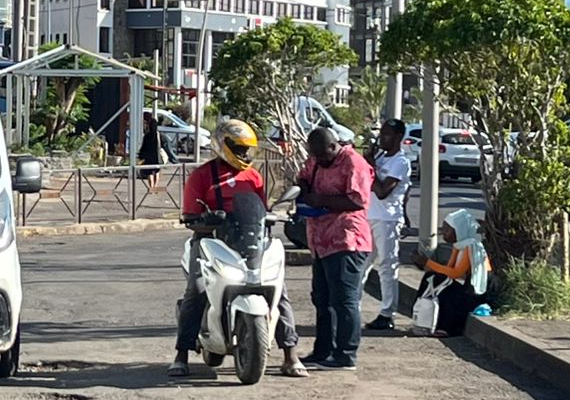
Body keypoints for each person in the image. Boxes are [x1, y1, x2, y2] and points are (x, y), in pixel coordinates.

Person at [170, 119, 308, 379]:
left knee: (280, 291)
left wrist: (271, 216)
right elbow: (190, 215)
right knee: (197, 288)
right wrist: (203, 221)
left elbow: (260, 211)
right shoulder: (202, 176)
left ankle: (290, 354)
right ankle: (181, 354)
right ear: (223, 146)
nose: (245, 154)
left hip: (249, 243)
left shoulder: (253, 176)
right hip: (213, 242)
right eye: (239, 148)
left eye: (248, 149)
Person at [296, 127, 374, 371]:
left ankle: (345, 354)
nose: (318, 160)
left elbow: (357, 200)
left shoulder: (353, 163)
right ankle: (324, 350)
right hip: (320, 242)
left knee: (344, 299)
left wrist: (321, 201)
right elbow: (302, 178)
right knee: (322, 299)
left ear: (334, 146)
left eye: (321, 155)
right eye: (314, 155)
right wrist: (306, 192)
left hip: (346, 240)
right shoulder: (316, 160)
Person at [412, 209, 492, 337]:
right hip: (466, 288)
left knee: (447, 291)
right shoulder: (458, 246)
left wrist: (428, 262)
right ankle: (422, 318)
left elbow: (455, 273)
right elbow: (448, 270)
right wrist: (425, 264)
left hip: (474, 293)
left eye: (447, 230)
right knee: (432, 277)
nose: (443, 233)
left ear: (459, 231)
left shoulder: (470, 247)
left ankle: (446, 328)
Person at [364, 119, 411, 331]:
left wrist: (371, 168)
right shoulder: (381, 157)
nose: (382, 138)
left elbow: (383, 191)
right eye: (381, 134)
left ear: (399, 137)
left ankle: (387, 312)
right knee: (362, 264)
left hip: (387, 219)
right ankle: (352, 306)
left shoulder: (400, 162)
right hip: (370, 215)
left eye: (387, 135)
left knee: (386, 266)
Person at [138, 113, 172, 194]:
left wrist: (141, 155)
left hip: (149, 157)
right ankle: (155, 186)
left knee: (150, 173)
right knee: (156, 172)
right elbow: (165, 147)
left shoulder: (147, 136)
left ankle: (151, 187)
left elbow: (143, 147)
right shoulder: (160, 136)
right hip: (157, 157)